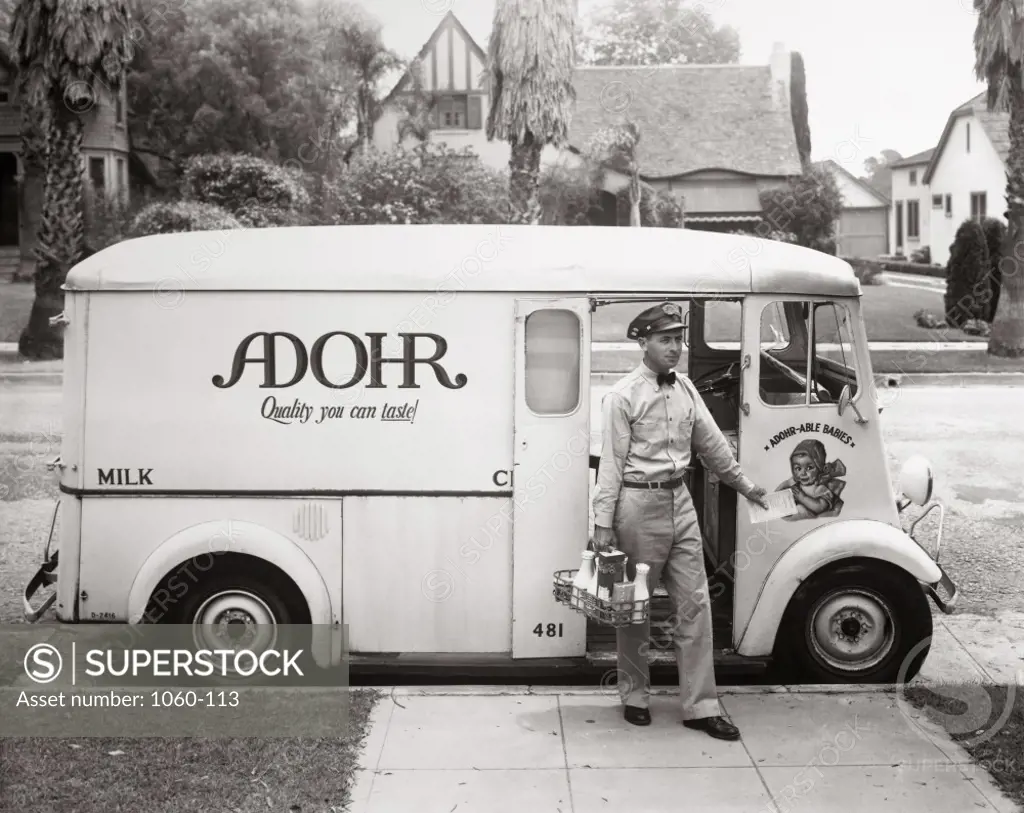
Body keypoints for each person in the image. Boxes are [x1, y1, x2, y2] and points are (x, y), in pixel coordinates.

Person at [591, 302, 770, 740]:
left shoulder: (686, 389)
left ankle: (701, 706)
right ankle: (634, 695)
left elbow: (713, 448)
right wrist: (602, 523)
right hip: (636, 506)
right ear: (643, 343)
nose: (675, 348)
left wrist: (747, 486)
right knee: (635, 608)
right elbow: (610, 465)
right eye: (666, 340)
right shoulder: (621, 396)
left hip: (680, 502)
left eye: (678, 340)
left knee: (696, 606)